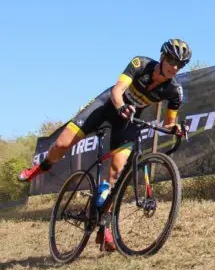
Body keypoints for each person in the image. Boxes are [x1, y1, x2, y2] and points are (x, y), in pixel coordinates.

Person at [18, 38, 192, 249]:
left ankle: (105, 229)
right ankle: (39, 168)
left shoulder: (175, 91)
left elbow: (169, 122)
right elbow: (117, 91)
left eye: (180, 64)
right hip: (107, 107)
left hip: (128, 120)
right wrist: (120, 106)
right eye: (172, 60)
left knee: (116, 172)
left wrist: (176, 129)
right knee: (62, 144)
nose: (175, 67)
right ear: (163, 57)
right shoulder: (140, 64)